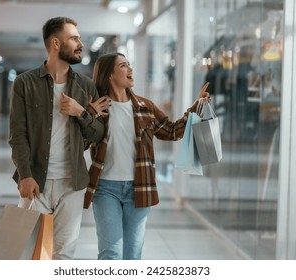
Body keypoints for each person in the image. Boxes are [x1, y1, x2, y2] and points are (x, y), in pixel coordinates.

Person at [83, 52, 210, 260]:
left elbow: (171, 131)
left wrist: (197, 107)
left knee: (132, 255)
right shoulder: (99, 109)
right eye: (123, 65)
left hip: (139, 187)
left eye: (129, 64)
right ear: (110, 75)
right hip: (105, 188)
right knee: (110, 253)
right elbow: (82, 140)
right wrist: (88, 113)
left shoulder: (145, 107)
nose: (130, 69)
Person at [8, 16, 105, 260]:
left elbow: (97, 134)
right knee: (31, 254)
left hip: (72, 184)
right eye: (74, 38)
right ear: (55, 43)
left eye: (80, 38)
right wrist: (25, 175)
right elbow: (17, 135)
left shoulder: (86, 87)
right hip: (35, 182)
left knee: (64, 254)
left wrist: (81, 112)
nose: (80, 44)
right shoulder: (24, 83)